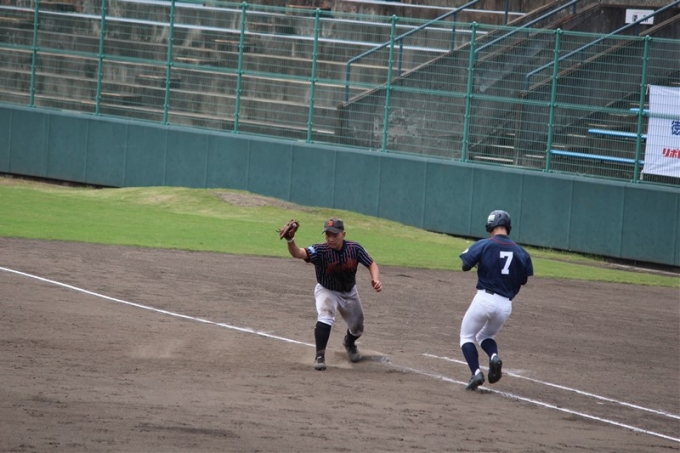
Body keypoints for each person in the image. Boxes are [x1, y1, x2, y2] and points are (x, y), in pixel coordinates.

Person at [285, 216, 382, 370]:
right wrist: (290, 240)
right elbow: (298, 253)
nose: (330, 239)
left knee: (358, 328)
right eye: (328, 235)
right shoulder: (320, 250)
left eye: (334, 235)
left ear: (343, 234)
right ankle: (320, 356)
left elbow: (371, 264)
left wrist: (375, 279)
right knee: (326, 315)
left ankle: (349, 343)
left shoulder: (354, 248)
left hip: (349, 292)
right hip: (327, 290)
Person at [458, 210, 533, 390]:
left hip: (484, 299)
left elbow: (465, 266)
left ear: (490, 226)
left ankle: (476, 373)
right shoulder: (522, 252)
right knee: (485, 336)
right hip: (505, 305)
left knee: (466, 336)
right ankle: (493, 356)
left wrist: (480, 263)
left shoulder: (484, 244)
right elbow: (523, 280)